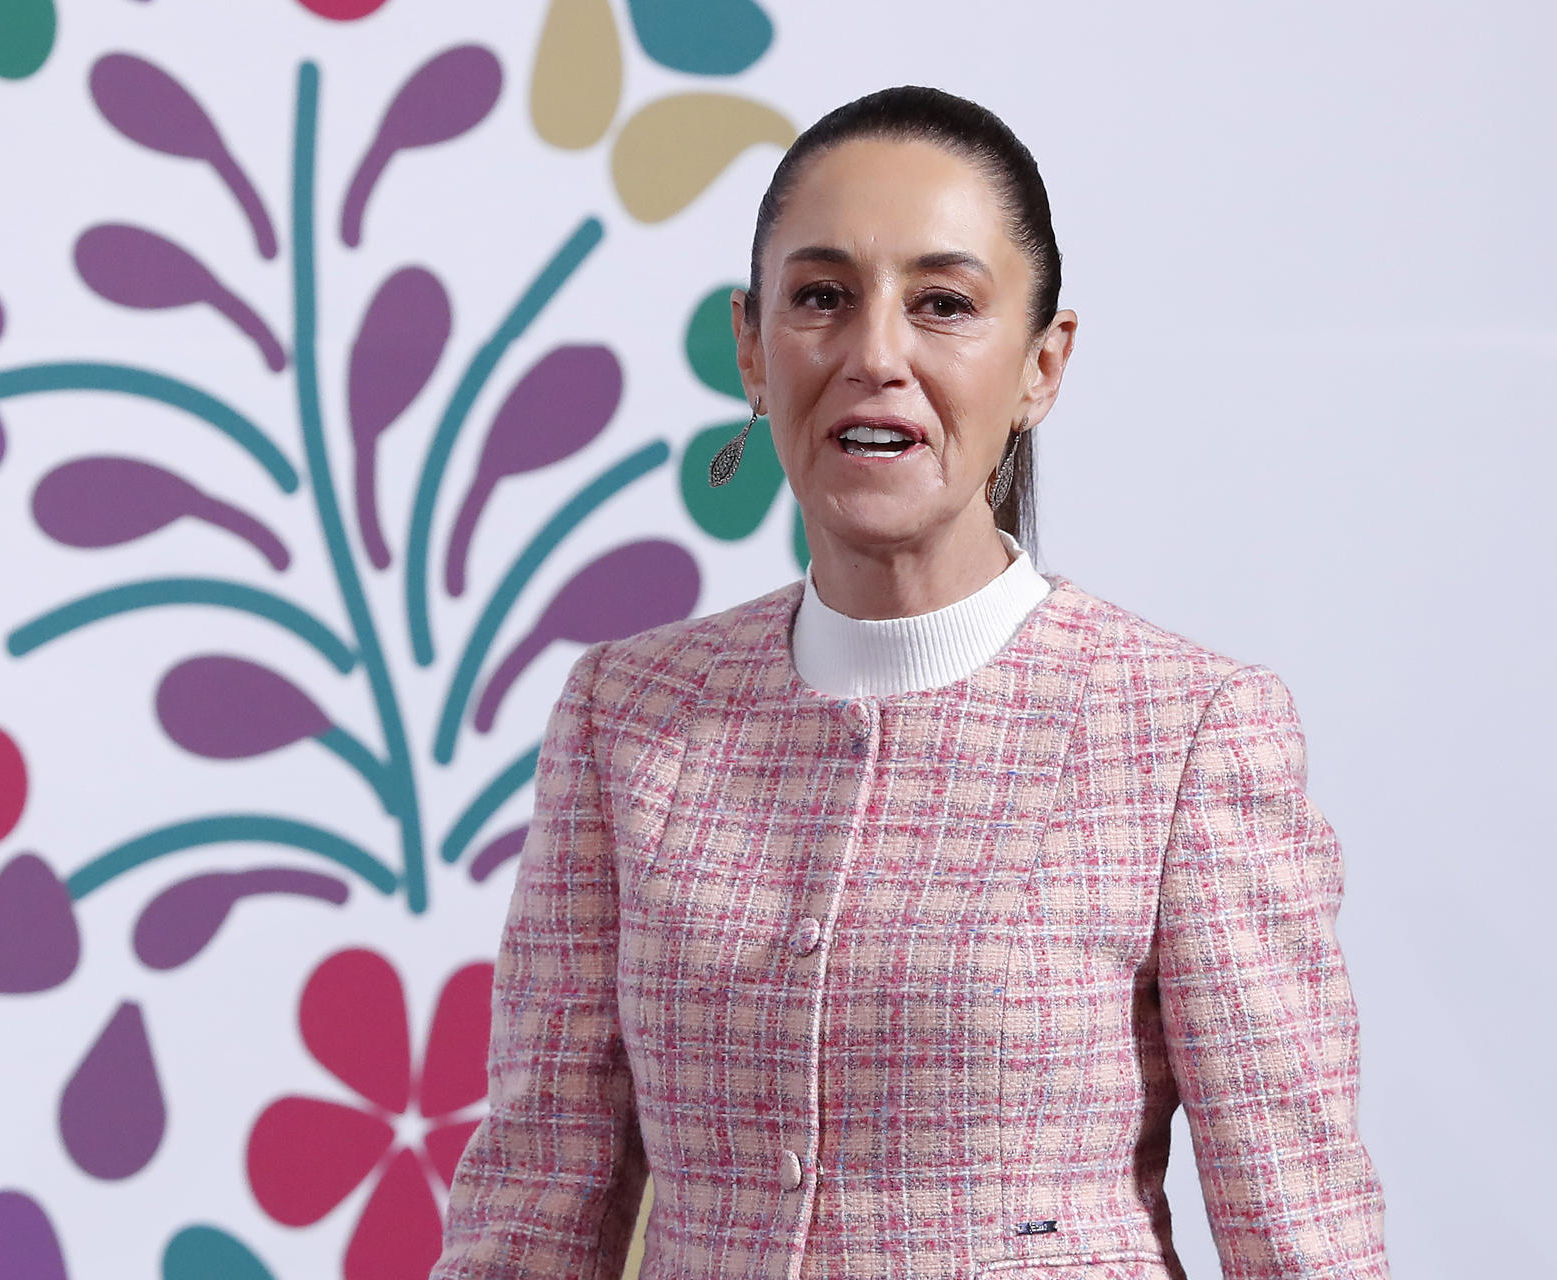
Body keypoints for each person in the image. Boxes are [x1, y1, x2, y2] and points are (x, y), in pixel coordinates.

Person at [432, 86, 1389, 1280]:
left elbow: (1300, 1234)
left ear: (1043, 366)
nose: (875, 354)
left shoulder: (1185, 730)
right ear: (750, 345)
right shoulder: (628, 716)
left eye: (943, 304)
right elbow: (531, 1202)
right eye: (822, 298)